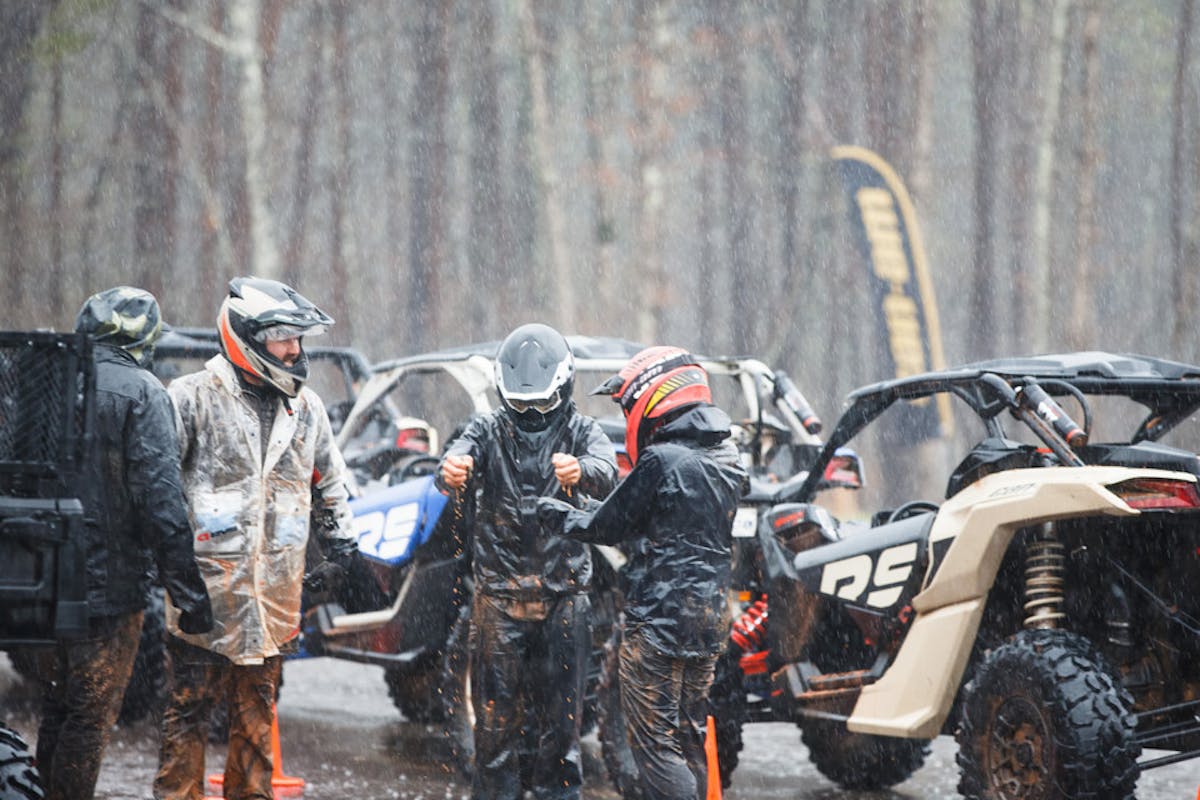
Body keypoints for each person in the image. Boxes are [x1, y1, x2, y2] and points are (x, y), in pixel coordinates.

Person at [153, 277, 359, 800]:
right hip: (204, 596)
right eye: (283, 338)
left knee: (257, 720)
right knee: (188, 713)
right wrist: (174, 579)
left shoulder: (307, 407)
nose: (295, 349)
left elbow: (331, 483)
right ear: (246, 338)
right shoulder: (192, 397)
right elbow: (158, 493)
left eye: (297, 338)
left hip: (275, 598)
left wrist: (344, 551)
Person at [538, 346, 748, 800]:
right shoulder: (728, 459)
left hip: (658, 622)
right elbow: (648, 518)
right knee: (688, 733)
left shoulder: (661, 460)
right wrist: (584, 509)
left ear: (652, 399)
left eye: (628, 404)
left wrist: (551, 512)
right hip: (707, 621)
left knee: (655, 746)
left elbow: (607, 526)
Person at [34, 287, 213, 800]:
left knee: (57, 707)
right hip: (109, 593)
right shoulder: (142, 391)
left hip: (41, 582)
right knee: (89, 718)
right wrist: (189, 595)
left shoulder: (49, 382)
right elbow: (162, 502)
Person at [437, 323, 617, 800]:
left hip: (564, 600)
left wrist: (584, 471)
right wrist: (452, 469)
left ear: (562, 388)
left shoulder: (582, 429)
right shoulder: (489, 428)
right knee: (495, 733)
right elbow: (455, 457)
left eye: (541, 403)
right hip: (499, 601)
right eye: (522, 404)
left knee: (561, 732)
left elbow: (609, 469)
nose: (532, 415)